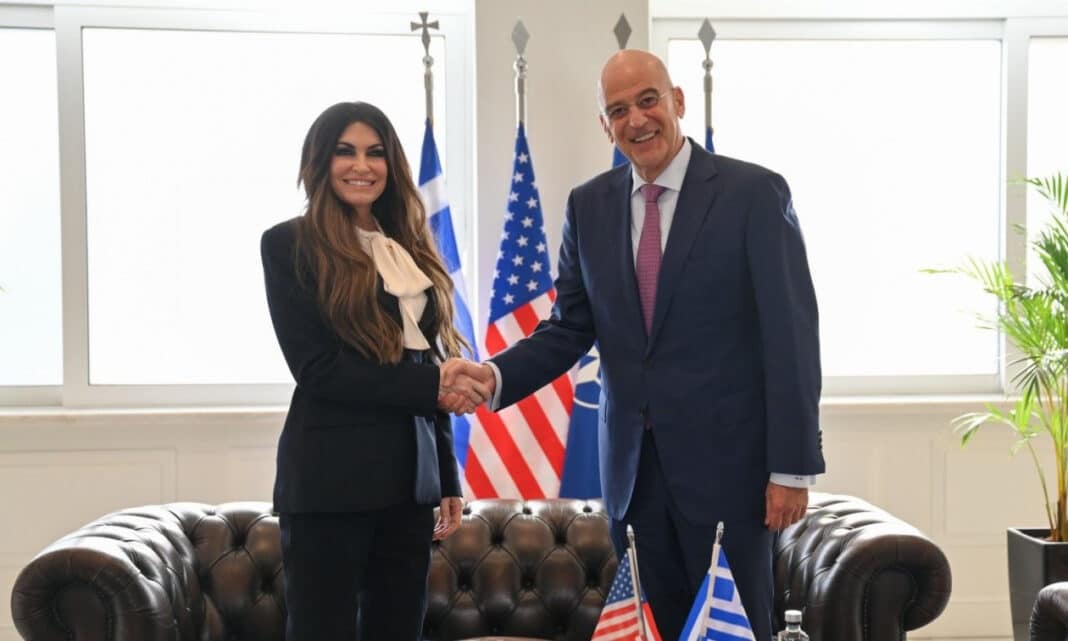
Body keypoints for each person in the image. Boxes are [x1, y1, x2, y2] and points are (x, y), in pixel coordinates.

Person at [450, 50, 824, 641]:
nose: (637, 119)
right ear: (606, 126)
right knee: (650, 630)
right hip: (632, 478)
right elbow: (569, 327)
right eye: (618, 110)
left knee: (731, 629)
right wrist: (494, 376)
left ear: (678, 101)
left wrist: (793, 468)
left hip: (730, 475)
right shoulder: (588, 205)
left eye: (648, 100)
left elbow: (791, 336)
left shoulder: (752, 193)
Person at [260, 101, 489, 641]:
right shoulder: (288, 244)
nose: (361, 165)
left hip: (408, 487)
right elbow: (318, 369)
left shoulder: (408, 246)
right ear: (320, 162)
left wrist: (445, 476)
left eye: (375, 153)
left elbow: (424, 360)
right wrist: (435, 384)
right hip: (328, 483)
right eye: (345, 152)